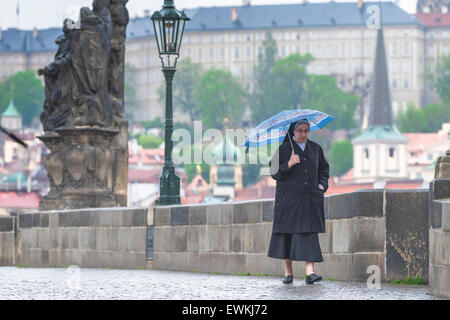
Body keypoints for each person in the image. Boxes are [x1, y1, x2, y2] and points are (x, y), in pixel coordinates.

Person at [268, 119, 329, 285]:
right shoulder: (284, 149)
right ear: (293, 132)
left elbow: (324, 169)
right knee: (286, 236)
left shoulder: (316, 149)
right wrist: (288, 164)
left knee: (309, 235)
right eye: (300, 130)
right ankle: (289, 273)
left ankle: (310, 273)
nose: (303, 134)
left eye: (306, 130)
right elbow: (273, 172)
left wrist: (321, 185)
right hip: (288, 201)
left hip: (310, 200)